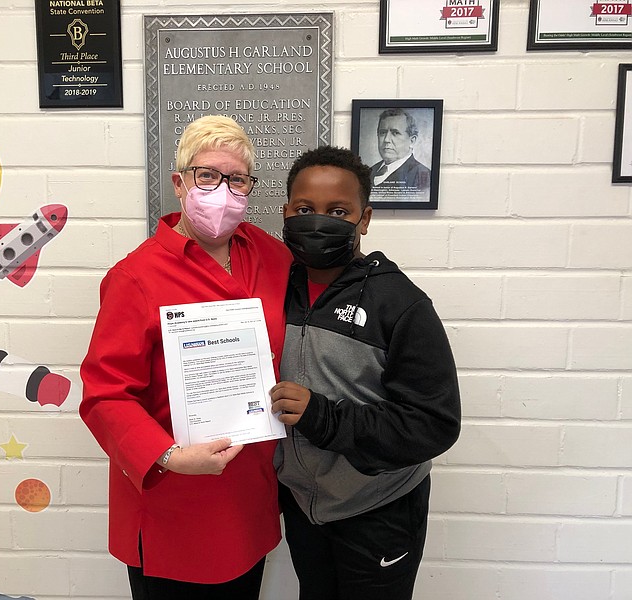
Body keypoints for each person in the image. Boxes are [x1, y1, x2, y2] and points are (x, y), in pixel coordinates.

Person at [80, 115, 293, 599]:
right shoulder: (136, 277)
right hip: (173, 497)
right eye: (207, 175)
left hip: (249, 488)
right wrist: (169, 456)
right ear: (179, 183)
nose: (223, 189)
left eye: (237, 178)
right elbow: (105, 395)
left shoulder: (272, 258)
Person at [270, 145, 461, 600]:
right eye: (304, 209)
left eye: (338, 210)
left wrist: (323, 417)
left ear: (365, 218)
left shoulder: (400, 303)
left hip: (379, 509)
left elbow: (434, 423)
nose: (319, 220)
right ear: (285, 213)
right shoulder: (272, 289)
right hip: (302, 506)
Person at [370, 108, 431, 193]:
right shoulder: (369, 171)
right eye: (382, 133)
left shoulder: (423, 175)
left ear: (412, 141)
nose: (386, 139)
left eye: (395, 133)